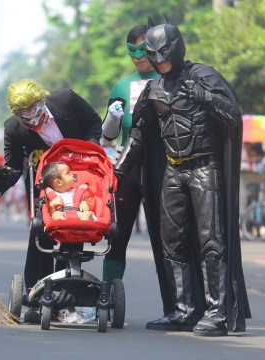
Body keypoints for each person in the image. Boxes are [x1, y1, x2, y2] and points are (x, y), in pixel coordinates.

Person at [113, 16, 250, 336]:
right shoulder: (154, 89)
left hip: (206, 167)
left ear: (175, 49)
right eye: (154, 55)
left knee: (211, 242)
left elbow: (233, 115)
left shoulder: (202, 76)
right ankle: (183, 309)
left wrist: (205, 97)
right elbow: (139, 135)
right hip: (174, 170)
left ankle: (216, 312)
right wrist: (119, 169)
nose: (159, 62)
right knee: (171, 242)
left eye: (163, 54)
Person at [0, 78, 102, 323]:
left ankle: (70, 296)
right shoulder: (14, 128)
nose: (31, 119)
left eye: (33, 111)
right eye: (23, 115)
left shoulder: (66, 100)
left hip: (78, 179)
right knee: (40, 234)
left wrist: (89, 150)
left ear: (41, 100)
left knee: (74, 233)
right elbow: (14, 165)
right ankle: (37, 296)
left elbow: (93, 122)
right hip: (44, 190)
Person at [101, 24, 172, 318]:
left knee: (166, 238)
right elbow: (108, 136)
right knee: (118, 234)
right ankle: (104, 299)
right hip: (128, 164)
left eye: (143, 49)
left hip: (164, 166)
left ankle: (175, 305)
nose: (138, 56)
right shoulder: (121, 86)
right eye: (132, 50)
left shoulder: (171, 79)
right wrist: (112, 118)